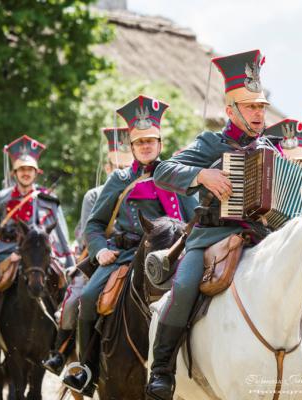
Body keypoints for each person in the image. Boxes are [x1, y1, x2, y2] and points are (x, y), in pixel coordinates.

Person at [147, 50, 302, 400]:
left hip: (263, 239)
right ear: (231, 111)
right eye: (251, 107)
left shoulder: (272, 149)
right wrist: (202, 175)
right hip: (212, 237)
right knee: (183, 287)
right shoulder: (210, 143)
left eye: (261, 106)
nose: (260, 113)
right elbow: (163, 171)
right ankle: (162, 370)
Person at [62, 96, 196, 395]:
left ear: (160, 143)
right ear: (131, 147)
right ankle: (86, 368)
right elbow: (94, 225)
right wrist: (99, 250)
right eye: (140, 142)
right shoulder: (120, 179)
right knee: (89, 297)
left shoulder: (178, 177)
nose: (146, 146)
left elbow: (194, 221)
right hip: (122, 255)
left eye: (151, 141)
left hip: (170, 257)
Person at [42, 127, 134, 375]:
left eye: (125, 166)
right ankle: (61, 353)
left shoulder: (141, 189)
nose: (120, 172)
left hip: (133, 253)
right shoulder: (93, 195)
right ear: (107, 168)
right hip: (97, 257)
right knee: (74, 301)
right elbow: (87, 233)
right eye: (115, 167)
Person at [0, 134, 72, 356]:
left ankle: (63, 334)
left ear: (36, 172)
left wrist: (69, 262)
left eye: (30, 169)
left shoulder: (48, 199)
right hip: (5, 252)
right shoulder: (1, 198)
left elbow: (61, 234)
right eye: (21, 170)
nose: (26, 173)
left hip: (40, 254)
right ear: (14, 173)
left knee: (63, 281)